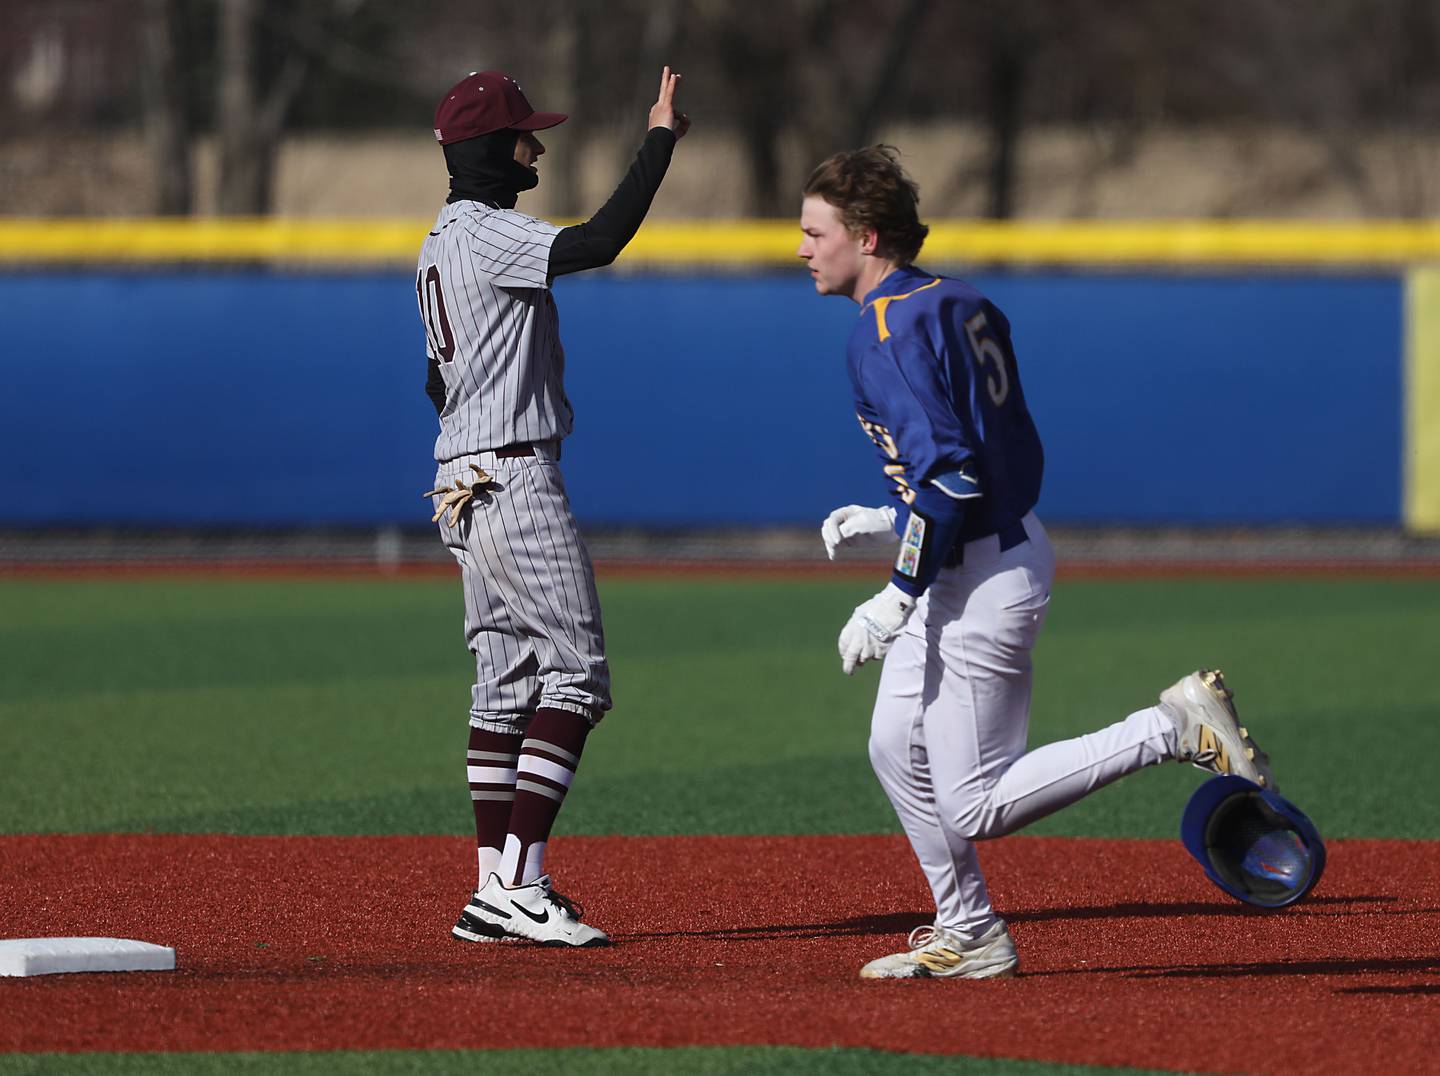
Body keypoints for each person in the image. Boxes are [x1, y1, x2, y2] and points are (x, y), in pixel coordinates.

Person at [798, 145, 1276, 980]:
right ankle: (970, 931)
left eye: (815, 232)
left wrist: (894, 592)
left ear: (866, 237)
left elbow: (951, 475)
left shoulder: (882, 329)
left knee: (975, 803)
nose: (802, 249)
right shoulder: (955, 299)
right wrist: (895, 515)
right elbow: (972, 458)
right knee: (891, 746)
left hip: (981, 575)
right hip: (984, 544)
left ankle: (1171, 728)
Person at [416, 67, 689, 948]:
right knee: (577, 673)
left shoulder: (436, 242)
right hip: (511, 476)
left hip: (460, 477)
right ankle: (519, 884)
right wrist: (660, 141)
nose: (536, 146)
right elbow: (600, 241)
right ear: (491, 148)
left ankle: (490, 885)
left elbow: (433, 380)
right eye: (525, 135)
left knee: (503, 687)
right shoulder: (490, 234)